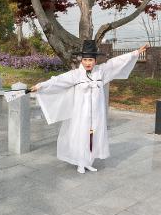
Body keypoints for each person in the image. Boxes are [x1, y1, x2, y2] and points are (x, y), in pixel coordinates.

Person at [30, 40, 149, 174]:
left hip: (96, 114)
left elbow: (116, 63)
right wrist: (40, 86)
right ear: (81, 60)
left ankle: (89, 161)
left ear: (95, 60)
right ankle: (81, 162)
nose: (88, 62)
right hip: (81, 114)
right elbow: (58, 81)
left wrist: (136, 53)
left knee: (93, 137)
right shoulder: (75, 75)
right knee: (82, 137)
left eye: (91, 60)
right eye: (85, 59)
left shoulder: (101, 72)